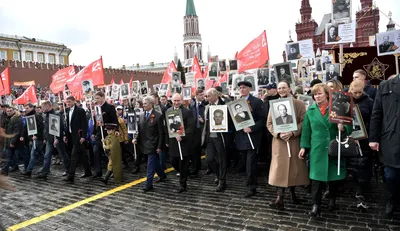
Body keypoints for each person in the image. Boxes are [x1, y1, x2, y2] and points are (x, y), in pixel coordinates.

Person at [299, 83, 352, 217]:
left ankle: (332, 200)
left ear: (327, 94)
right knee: (316, 179)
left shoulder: (337, 108)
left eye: (320, 93)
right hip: (317, 149)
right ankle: (316, 205)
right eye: (315, 94)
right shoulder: (310, 111)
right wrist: (303, 147)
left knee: (333, 177)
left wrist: (343, 128)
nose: (317, 96)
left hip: (334, 147)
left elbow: (349, 126)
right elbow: (306, 131)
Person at [267, 81, 309, 210]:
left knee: (293, 169)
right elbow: (269, 123)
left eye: (284, 87)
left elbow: (304, 122)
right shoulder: (274, 105)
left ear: (289, 89)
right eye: (279, 88)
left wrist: (293, 132)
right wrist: (278, 134)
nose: (281, 90)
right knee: (280, 169)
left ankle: (293, 194)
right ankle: (279, 198)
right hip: (280, 143)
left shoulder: (299, 104)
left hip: (294, 141)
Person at [369, 74, 400, 218]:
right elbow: (377, 114)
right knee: (391, 175)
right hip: (390, 137)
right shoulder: (385, 86)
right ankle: (392, 198)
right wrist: (373, 138)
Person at [235, 81, 266, 197]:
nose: (242, 89)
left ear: (249, 89)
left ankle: (251, 187)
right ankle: (252, 182)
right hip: (241, 138)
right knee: (245, 162)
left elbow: (262, 120)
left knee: (250, 163)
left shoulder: (257, 102)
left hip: (252, 137)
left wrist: (251, 128)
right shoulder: (236, 103)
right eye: (240, 88)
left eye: (244, 88)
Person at [347, 79, 374, 211]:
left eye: (359, 92)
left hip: (364, 138)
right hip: (349, 137)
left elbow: (374, 120)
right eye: (355, 92)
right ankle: (353, 185)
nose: (357, 94)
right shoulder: (345, 100)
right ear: (350, 90)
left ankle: (361, 190)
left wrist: (366, 131)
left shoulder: (369, 101)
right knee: (352, 165)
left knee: (363, 165)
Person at [133, 96, 166, 191]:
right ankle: (162, 175)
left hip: (153, 144)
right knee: (155, 162)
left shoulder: (158, 115)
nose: (143, 105)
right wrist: (136, 138)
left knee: (150, 165)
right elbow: (139, 130)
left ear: (151, 104)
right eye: (143, 103)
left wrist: (160, 146)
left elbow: (161, 133)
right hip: (144, 144)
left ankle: (148, 185)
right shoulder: (142, 115)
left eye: (145, 103)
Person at [201, 88, 232, 192]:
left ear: (216, 96)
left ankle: (222, 181)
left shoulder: (225, 105)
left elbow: (231, 121)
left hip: (221, 136)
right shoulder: (208, 107)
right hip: (210, 137)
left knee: (222, 159)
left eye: (208, 96)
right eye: (206, 96)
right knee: (209, 159)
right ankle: (218, 175)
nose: (207, 98)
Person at [165, 93, 194, 193]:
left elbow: (190, 127)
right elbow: (167, 128)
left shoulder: (187, 111)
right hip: (173, 142)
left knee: (183, 164)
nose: (176, 103)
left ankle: (183, 184)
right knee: (173, 161)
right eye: (174, 101)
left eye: (178, 100)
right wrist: (167, 141)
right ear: (172, 101)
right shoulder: (168, 111)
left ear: (181, 100)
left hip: (183, 143)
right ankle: (185, 172)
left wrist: (182, 136)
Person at [63, 96, 92, 183]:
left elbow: (84, 124)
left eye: (69, 102)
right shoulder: (68, 111)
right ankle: (88, 171)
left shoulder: (80, 110)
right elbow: (68, 125)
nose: (68, 103)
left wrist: (83, 136)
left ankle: (71, 175)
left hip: (79, 136)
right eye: (67, 102)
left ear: (74, 101)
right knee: (83, 155)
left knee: (74, 156)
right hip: (72, 136)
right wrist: (66, 135)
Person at [92, 91, 118, 178]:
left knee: (109, 153)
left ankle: (114, 170)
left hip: (108, 133)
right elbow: (95, 122)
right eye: (95, 98)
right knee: (96, 151)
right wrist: (93, 132)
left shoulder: (110, 107)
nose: (97, 100)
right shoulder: (96, 108)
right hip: (99, 133)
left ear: (103, 97)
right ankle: (98, 171)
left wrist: (116, 130)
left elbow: (115, 120)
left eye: (98, 98)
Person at [21, 104, 45, 176]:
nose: (26, 110)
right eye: (25, 108)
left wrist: (37, 135)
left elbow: (42, 127)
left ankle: (29, 170)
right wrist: (22, 135)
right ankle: (46, 166)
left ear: (32, 108)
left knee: (33, 154)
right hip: (31, 138)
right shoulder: (28, 116)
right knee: (40, 153)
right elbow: (26, 127)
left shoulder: (37, 116)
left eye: (27, 108)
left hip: (37, 139)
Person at [189, 89, 207, 177]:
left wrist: (203, 121)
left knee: (199, 148)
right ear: (196, 96)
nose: (202, 96)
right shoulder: (191, 105)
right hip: (194, 130)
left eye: (203, 95)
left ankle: (197, 167)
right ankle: (196, 167)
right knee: (194, 149)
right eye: (200, 95)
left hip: (202, 129)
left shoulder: (205, 105)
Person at [0, 107, 23, 175]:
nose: (9, 112)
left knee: (23, 154)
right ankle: (6, 169)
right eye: (8, 111)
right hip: (8, 141)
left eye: (10, 111)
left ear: (14, 111)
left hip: (14, 141)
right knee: (9, 156)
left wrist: (12, 142)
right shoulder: (8, 118)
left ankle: (28, 168)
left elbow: (17, 131)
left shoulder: (16, 119)